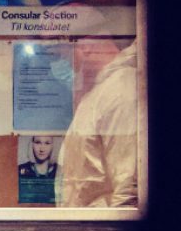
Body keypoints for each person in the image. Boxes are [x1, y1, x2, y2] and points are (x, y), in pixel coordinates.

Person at [59, 41, 138, 207]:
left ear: (85, 46)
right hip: (87, 226)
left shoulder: (121, 89)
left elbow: (128, 190)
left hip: (102, 228)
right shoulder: (98, 92)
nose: (61, 61)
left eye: (60, 53)